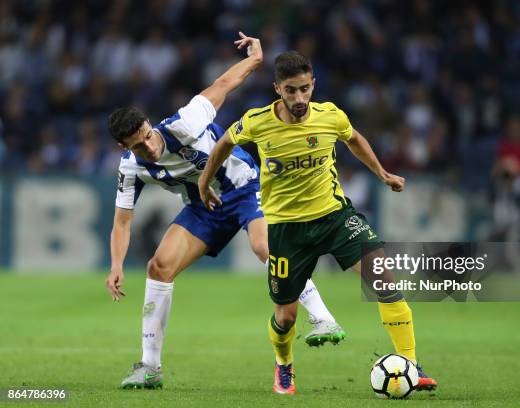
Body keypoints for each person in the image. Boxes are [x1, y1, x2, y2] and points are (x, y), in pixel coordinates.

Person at [105, 35, 343, 390]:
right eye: (137, 146)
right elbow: (122, 222)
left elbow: (222, 85)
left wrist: (255, 60)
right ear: (124, 147)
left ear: (149, 125)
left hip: (246, 187)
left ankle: (324, 319)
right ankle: (149, 367)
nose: (149, 147)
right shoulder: (130, 169)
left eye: (147, 136)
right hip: (205, 207)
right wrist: (116, 266)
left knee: (264, 248)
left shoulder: (184, 122)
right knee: (159, 266)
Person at [198, 51, 438, 395]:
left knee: (384, 280)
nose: (299, 98)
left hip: (334, 217)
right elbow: (223, 143)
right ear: (277, 88)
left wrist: (382, 173)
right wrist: (205, 183)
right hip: (286, 229)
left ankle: (411, 364)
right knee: (287, 317)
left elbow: (353, 138)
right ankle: (284, 367)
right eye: (291, 90)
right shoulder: (257, 121)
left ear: (314, 85)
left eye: (305, 89)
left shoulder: (330, 115)